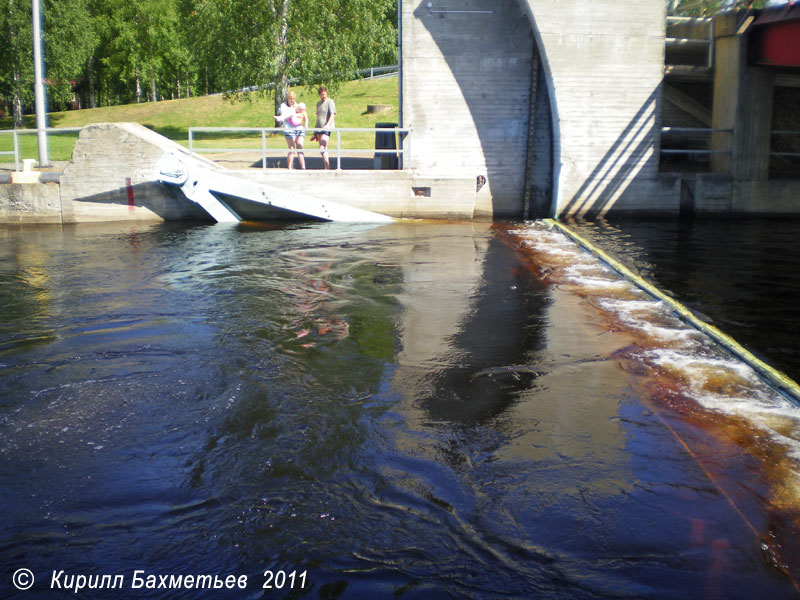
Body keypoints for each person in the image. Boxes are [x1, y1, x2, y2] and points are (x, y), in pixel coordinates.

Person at [274, 91, 306, 170]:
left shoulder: (297, 106)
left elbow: (303, 114)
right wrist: (292, 113)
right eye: (290, 99)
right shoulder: (283, 106)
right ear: (287, 99)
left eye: (294, 99)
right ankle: (289, 168)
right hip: (289, 129)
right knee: (291, 149)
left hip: (299, 128)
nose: (292, 100)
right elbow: (285, 115)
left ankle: (303, 167)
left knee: (299, 147)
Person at [313, 86, 336, 169]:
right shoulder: (318, 103)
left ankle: (327, 166)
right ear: (319, 95)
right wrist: (315, 132)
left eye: (325, 94)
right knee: (323, 148)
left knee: (322, 146)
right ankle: (327, 167)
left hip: (326, 128)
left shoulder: (330, 102)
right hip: (319, 128)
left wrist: (327, 124)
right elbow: (318, 117)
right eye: (322, 94)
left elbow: (332, 114)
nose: (324, 96)